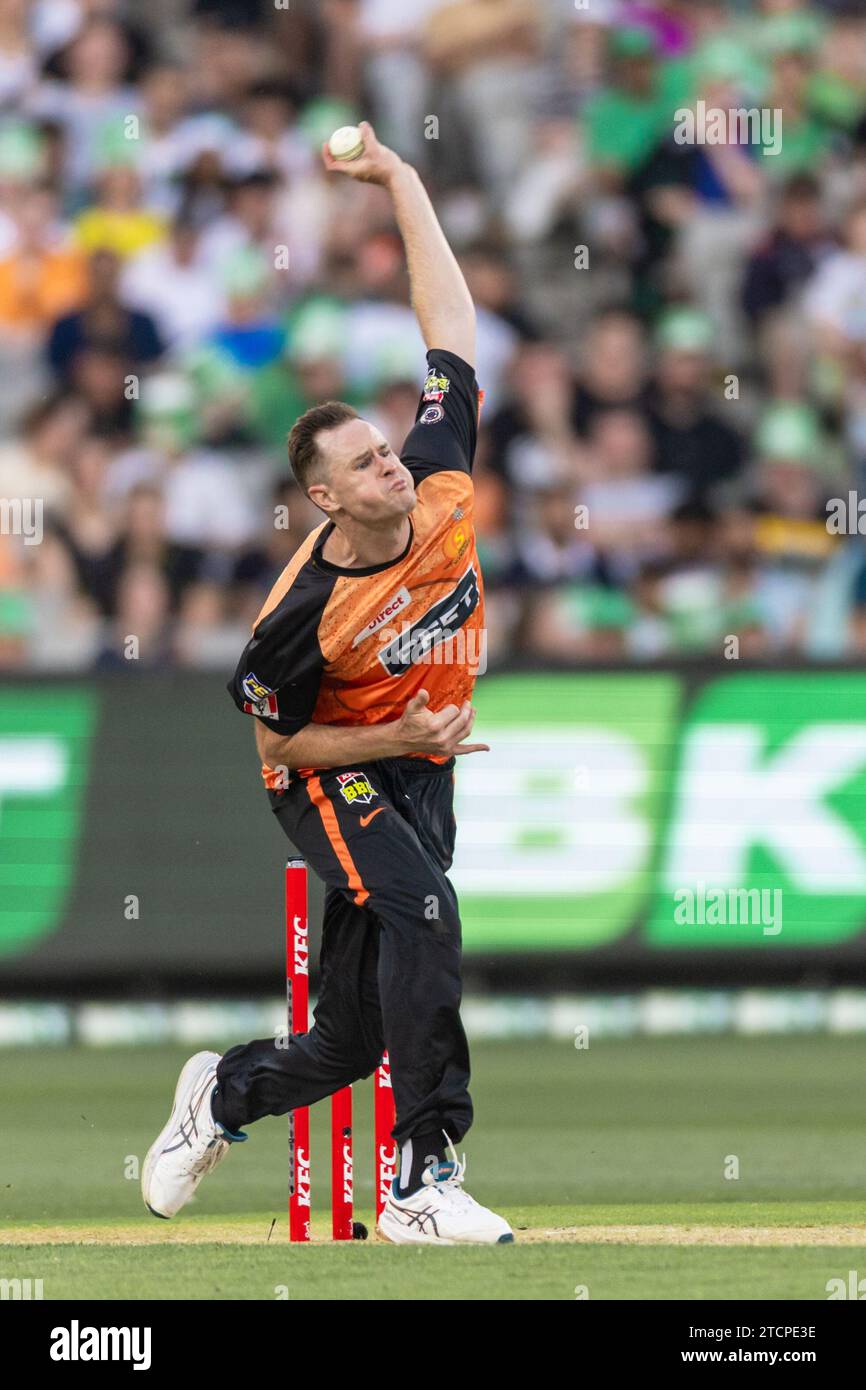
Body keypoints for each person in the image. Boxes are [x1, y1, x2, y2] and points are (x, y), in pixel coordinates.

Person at [142, 122, 513, 1246]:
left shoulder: (441, 483)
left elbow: (447, 331)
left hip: (420, 761)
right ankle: (420, 1179)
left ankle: (219, 1095)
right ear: (325, 501)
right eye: (360, 464)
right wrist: (398, 724)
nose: (389, 461)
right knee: (427, 909)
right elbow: (279, 754)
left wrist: (400, 178)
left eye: (384, 447)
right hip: (326, 774)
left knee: (349, 1039)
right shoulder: (295, 622)